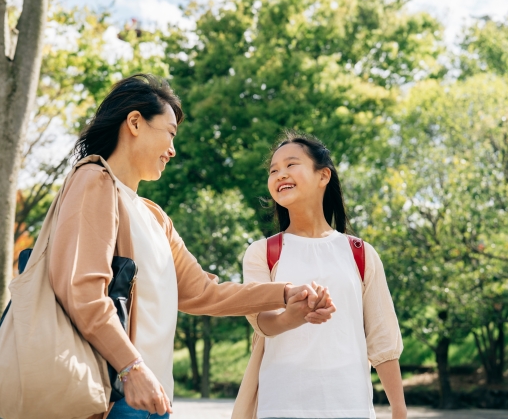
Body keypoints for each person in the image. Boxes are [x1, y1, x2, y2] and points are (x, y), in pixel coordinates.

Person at [48, 74, 337, 419]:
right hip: (115, 394)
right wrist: (131, 369)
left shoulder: (154, 216)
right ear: (135, 123)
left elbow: (205, 293)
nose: (172, 149)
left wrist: (286, 293)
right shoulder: (94, 180)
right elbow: (83, 293)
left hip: (151, 397)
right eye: (169, 133)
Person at [232, 132, 406, 419]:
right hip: (281, 405)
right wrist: (294, 314)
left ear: (323, 175)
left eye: (291, 165)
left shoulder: (360, 253)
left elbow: (382, 338)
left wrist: (399, 410)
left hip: (352, 405)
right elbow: (263, 323)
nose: (280, 175)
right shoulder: (262, 252)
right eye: (273, 170)